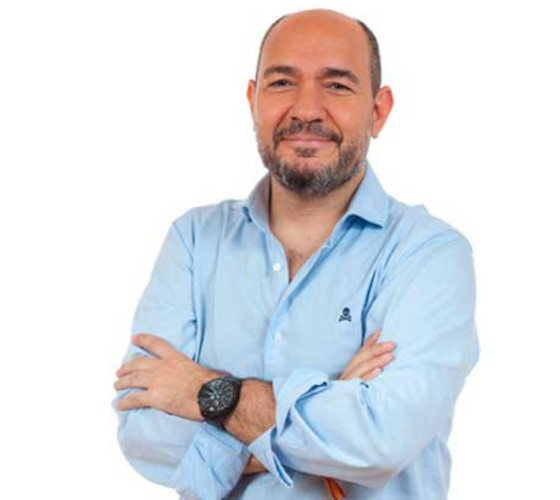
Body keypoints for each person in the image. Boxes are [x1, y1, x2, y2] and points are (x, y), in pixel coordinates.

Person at [112, 8, 479, 500]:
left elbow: (380, 440)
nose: (306, 108)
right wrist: (333, 400)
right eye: (282, 82)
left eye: (337, 85)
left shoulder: (429, 255)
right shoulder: (194, 241)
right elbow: (143, 433)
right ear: (253, 101)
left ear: (378, 111)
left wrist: (205, 393)